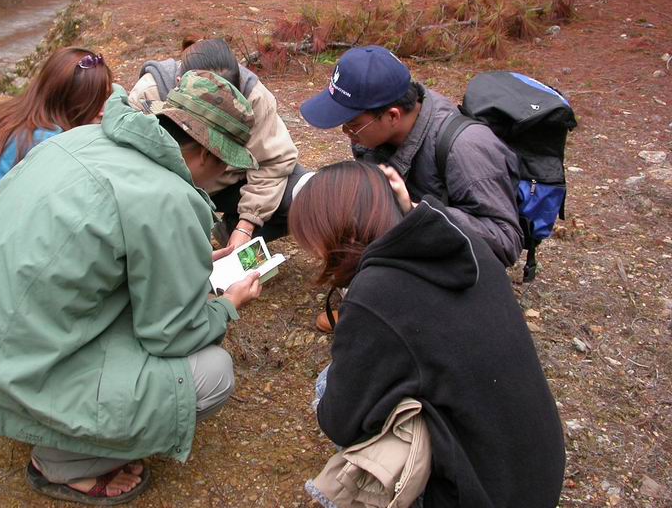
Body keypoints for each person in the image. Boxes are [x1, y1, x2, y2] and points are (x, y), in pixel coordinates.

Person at [0, 71, 263, 505]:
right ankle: (65, 463)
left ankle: (42, 417)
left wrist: (183, 262)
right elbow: (173, 335)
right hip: (2, 368)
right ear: (207, 153)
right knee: (213, 374)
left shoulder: (79, 139)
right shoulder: (168, 197)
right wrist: (228, 304)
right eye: (227, 165)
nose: (225, 176)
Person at [289, 161, 566, 508]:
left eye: (311, 239)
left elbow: (339, 423)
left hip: (477, 497)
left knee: (327, 386)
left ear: (334, 232)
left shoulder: (376, 293)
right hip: (537, 475)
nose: (313, 253)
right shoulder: (464, 243)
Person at [299, 45, 522, 267]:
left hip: (461, 269)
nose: (345, 132)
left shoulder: (466, 147)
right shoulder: (371, 137)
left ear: (392, 116)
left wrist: (416, 211)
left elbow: (506, 242)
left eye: (352, 124)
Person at [129, 37, 306, 248]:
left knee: (303, 192)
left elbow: (273, 163)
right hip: (167, 192)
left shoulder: (255, 97)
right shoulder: (147, 95)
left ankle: (230, 230)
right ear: (179, 82)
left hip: (226, 184)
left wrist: (246, 226)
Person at [0, 47, 113, 253]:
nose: (104, 110)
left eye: (106, 96)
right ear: (70, 101)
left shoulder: (24, 116)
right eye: (95, 101)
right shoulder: (48, 143)